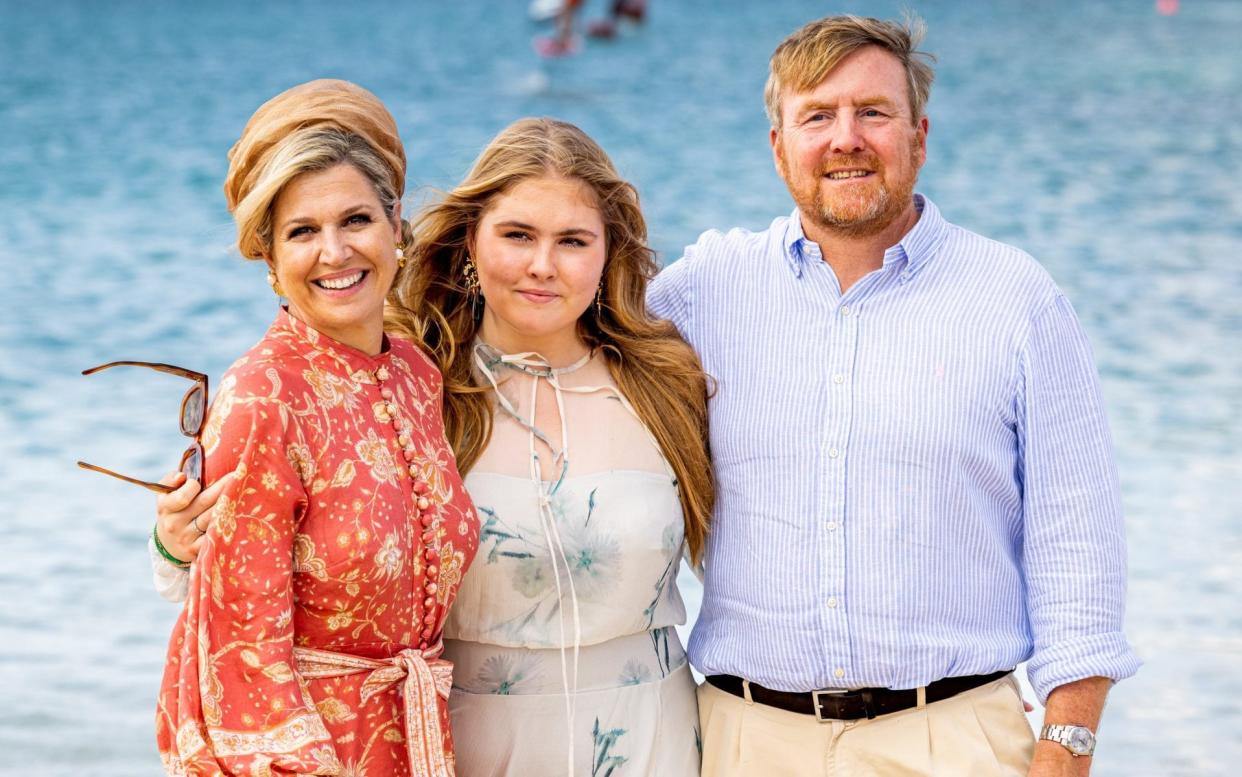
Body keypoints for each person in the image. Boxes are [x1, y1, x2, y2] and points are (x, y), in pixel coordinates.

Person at [645, 14, 1140, 777]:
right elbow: (558, 340)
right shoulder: (700, 293)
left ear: (920, 136)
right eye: (817, 116)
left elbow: (1078, 544)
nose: (846, 138)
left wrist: (1068, 747)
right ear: (779, 147)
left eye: (873, 112)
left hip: (956, 741)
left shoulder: (1016, 300)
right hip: (743, 740)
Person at [151, 117, 712, 776]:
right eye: (518, 235)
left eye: (573, 240)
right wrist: (172, 545)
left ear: (608, 250)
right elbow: (281, 540)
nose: (542, 264)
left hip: (652, 734)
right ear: (470, 239)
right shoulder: (422, 379)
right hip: (464, 739)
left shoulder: (665, 380)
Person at [153, 79, 479, 776]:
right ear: (270, 262)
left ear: (397, 229)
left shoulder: (419, 376)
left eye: (355, 220)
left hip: (419, 741)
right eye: (303, 231)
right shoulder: (261, 396)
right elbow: (242, 650)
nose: (334, 252)